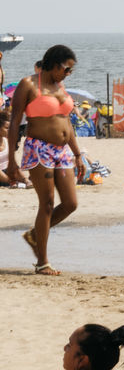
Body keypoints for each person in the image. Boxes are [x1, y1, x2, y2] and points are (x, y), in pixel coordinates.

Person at [6, 45, 84, 276]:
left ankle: (34, 235)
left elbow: (66, 122)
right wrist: (12, 161)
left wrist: (78, 153)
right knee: (47, 203)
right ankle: (42, 262)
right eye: (66, 69)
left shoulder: (61, 86)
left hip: (62, 151)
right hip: (39, 149)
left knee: (70, 203)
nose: (68, 74)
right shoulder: (28, 84)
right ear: (54, 63)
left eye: (71, 71)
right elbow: (14, 123)